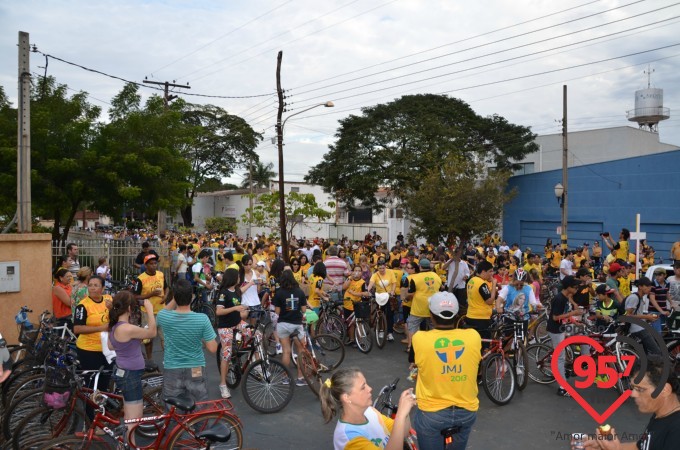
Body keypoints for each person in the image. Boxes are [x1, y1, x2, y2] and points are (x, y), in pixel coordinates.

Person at [409, 291, 481, 450]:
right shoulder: (473, 336)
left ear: (431, 315)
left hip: (432, 413)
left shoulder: (419, 338)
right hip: (466, 411)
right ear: (457, 315)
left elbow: (413, 362)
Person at [576, 355, 680, 450]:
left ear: (665, 389)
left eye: (640, 389)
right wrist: (613, 448)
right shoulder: (661, 414)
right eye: (633, 388)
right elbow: (640, 447)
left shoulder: (676, 431)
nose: (632, 394)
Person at [320, 368, 416, 450]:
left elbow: (402, 432)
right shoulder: (347, 437)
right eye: (363, 387)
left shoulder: (370, 412)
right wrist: (400, 414)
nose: (370, 388)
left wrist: (405, 413)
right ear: (347, 398)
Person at [158, 279, 217, 405]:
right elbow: (213, 348)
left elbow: (165, 310)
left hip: (172, 369)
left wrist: (176, 296)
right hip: (195, 368)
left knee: (173, 411)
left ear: (174, 297)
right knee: (199, 410)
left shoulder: (164, 317)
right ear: (191, 297)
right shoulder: (202, 319)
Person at [108, 291, 156, 424]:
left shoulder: (114, 327)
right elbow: (152, 333)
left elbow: (111, 346)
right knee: (135, 418)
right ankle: (131, 444)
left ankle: (127, 443)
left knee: (129, 413)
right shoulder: (127, 329)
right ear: (129, 308)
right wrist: (150, 311)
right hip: (130, 374)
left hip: (122, 371)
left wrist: (131, 343)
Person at [74, 275, 113, 417]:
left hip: (107, 349)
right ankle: (91, 418)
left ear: (103, 288)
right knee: (91, 385)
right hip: (88, 350)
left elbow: (118, 318)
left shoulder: (109, 300)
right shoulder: (83, 306)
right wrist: (101, 328)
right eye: (90, 285)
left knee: (104, 382)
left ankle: (103, 413)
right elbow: (77, 329)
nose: (92, 288)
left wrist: (113, 309)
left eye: (96, 285)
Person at [546, 275, 584, 397]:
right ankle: (562, 387)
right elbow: (555, 317)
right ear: (569, 287)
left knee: (583, 335)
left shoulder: (565, 297)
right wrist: (573, 313)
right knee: (559, 357)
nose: (577, 288)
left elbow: (564, 314)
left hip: (562, 327)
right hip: (556, 330)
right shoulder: (559, 299)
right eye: (575, 286)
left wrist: (574, 321)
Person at [215, 268, 249, 399]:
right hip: (225, 327)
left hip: (238, 322)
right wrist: (235, 308)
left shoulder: (237, 290)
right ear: (233, 278)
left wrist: (251, 284)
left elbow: (242, 291)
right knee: (227, 354)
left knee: (257, 335)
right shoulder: (223, 293)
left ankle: (256, 364)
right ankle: (223, 384)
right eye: (238, 277)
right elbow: (218, 312)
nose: (240, 279)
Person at [272, 270, 308, 387]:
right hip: (296, 324)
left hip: (283, 324)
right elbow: (303, 310)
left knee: (286, 351)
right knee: (301, 351)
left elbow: (277, 311)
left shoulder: (279, 293)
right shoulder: (300, 292)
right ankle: (300, 378)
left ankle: (285, 377)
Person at [133, 254, 168, 360]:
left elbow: (166, 288)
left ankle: (168, 360)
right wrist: (151, 294)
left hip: (162, 311)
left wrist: (165, 296)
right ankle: (149, 360)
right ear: (146, 265)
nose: (154, 265)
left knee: (165, 338)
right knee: (148, 339)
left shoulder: (161, 274)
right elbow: (135, 296)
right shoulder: (140, 279)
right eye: (151, 264)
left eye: (155, 263)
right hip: (147, 313)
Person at [405, 258, 443, 351]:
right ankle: (434, 346)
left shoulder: (415, 278)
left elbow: (410, 293)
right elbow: (441, 288)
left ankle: (411, 347)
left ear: (420, 267)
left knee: (412, 326)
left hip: (418, 308)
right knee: (433, 327)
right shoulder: (436, 276)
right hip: (433, 307)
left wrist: (406, 298)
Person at [624, 277, 661, 356]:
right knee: (657, 352)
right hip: (638, 329)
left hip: (641, 327)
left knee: (645, 354)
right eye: (647, 286)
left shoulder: (639, 297)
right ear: (640, 287)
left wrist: (648, 317)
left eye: (650, 286)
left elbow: (637, 313)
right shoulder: (634, 298)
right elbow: (628, 315)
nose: (649, 288)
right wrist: (646, 317)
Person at [465, 261, 497, 347]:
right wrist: (494, 285)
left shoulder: (471, 280)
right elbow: (489, 300)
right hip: (481, 319)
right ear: (483, 272)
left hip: (470, 315)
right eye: (490, 271)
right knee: (483, 344)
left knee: (474, 343)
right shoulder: (482, 284)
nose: (492, 273)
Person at [367, 259, 396, 342]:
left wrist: (393, 291)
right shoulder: (375, 275)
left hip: (389, 296)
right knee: (379, 314)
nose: (382, 270)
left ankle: (390, 332)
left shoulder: (390, 272)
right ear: (377, 268)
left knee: (390, 315)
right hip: (379, 296)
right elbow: (371, 284)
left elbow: (394, 283)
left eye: (383, 268)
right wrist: (367, 290)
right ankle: (381, 330)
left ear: (385, 267)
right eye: (380, 268)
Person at [443, 247, 470, 312]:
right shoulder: (450, 262)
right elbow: (443, 268)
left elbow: (467, 272)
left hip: (461, 286)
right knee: (451, 303)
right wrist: (451, 260)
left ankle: (460, 315)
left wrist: (466, 276)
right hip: (451, 286)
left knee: (461, 303)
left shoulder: (464, 263)